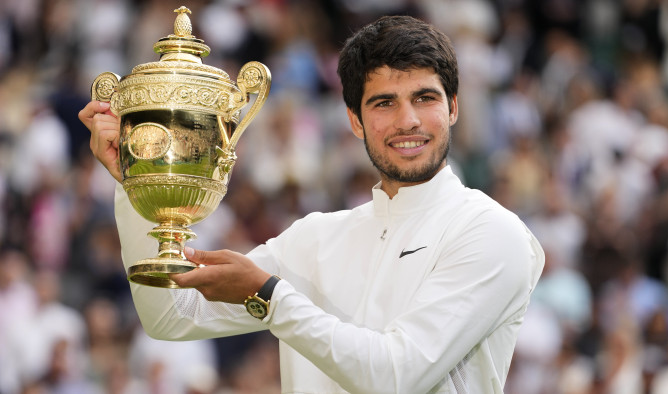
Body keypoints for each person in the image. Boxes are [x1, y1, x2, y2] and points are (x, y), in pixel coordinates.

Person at [79, 15, 545, 394]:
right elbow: (171, 317)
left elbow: (394, 378)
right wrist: (136, 179)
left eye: (425, 98)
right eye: (384, 103)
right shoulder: (316, 237)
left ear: (454, 108)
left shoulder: (491, 232)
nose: (408, 121)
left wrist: (269, 296)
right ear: (355, 121)